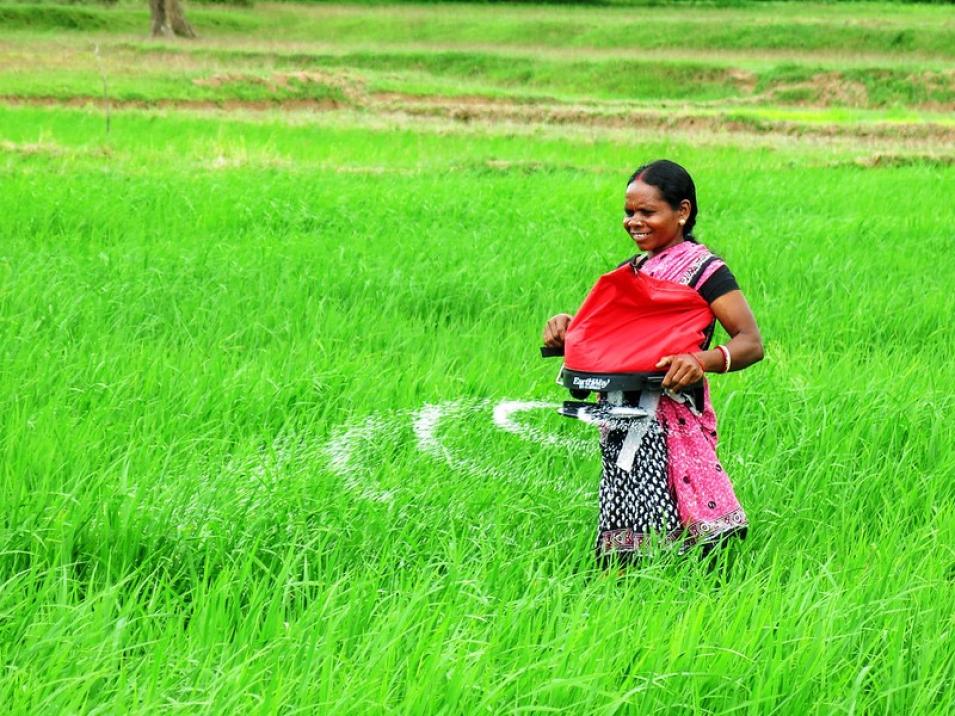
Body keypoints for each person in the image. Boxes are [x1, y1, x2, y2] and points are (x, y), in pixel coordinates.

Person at [542, 159, 763, 564]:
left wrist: (700, 361)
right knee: (627, 528)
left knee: (692, 533)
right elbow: (606, 337)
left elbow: (750, 342)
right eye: (629, 212)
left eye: (647, 212)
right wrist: (567, 330)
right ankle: (633, 593)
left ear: (682, 211)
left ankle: (699, 598)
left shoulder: (704, 270)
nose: (634, 222)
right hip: (622, 415)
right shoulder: (632, 271)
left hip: (673, 413)